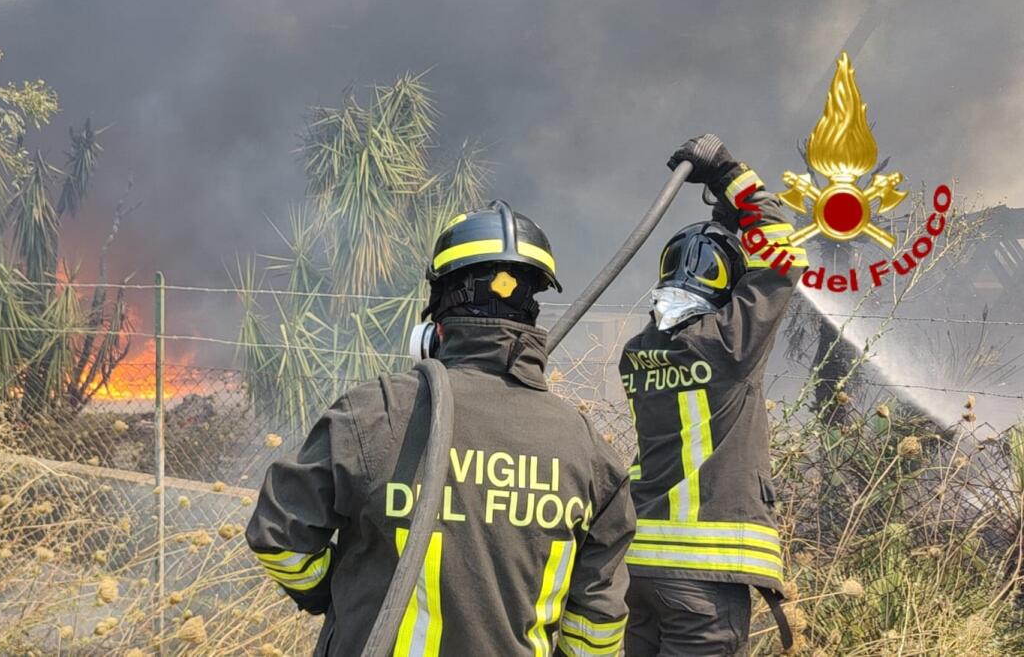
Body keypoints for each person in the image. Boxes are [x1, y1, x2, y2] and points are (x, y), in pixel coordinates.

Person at [246, 201, 636, 657]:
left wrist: (336, 594)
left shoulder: (375, 413)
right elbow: (597, 627)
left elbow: (279, 535)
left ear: (435, 321)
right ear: (533, 313)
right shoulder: (588, 452)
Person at [619, 135, 807, 656]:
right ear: (727, 283)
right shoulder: (729, 344)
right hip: (704, 578)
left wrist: (725, 225)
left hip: (640, 570)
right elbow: (782, 253)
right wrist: (730, 175)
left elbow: (680, 320)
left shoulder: (638, 352)